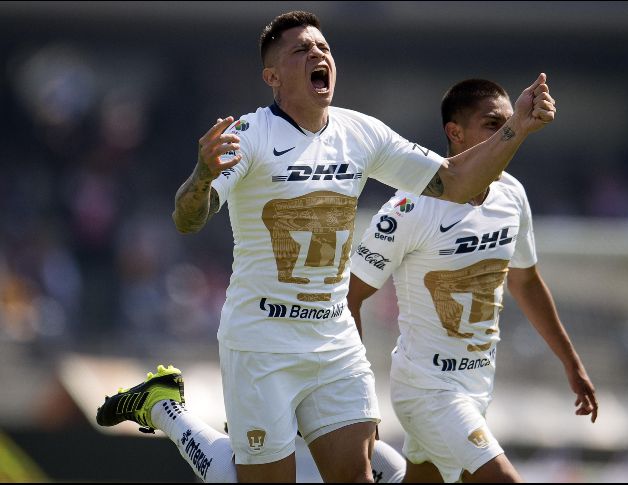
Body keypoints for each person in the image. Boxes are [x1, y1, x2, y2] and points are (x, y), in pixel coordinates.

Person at [96, 9, 556, 483]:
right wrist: (202, 175)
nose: (318, 54)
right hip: (261, 343)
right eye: (301, 49)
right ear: (272, 77)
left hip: (333, 340)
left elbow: (455, 181)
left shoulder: (361, 133)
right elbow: (187, 218)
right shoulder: (249, 136)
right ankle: (166, 408)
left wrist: (515, 128)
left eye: (324, 48)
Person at [347, 78, 597, 483]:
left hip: (477, 385)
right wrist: (357, 403)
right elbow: (349, 299)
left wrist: (571, 362)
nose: (505, 132)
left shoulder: (512, 194)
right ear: (455, 133)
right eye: (494, 123)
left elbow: (526, 283)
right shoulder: (409, 207)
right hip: (427, 391)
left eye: (508, 124)